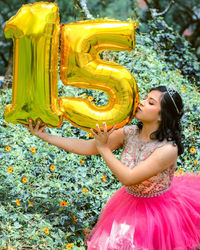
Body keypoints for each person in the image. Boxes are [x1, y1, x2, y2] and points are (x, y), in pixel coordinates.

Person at [23, 85, 200, 249]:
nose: (142, 102)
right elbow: (87, 147)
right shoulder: (130, 132)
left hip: (158, 212)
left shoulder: (168, 149)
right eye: (145, 98)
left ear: (162, 115)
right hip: (129, 200)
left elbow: (129, 177)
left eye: (150, 102)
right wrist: (46, 136)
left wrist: (103, 147)